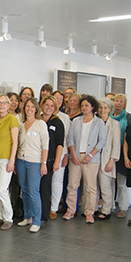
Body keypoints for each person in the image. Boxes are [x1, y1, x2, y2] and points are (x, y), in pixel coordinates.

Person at [64, 95, 106, 224]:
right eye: (82, 105)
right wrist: (74, 154)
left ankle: (89, 212)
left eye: (87, 105)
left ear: (92, 107)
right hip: (75, 156)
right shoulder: (76, 121)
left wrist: (90, 155)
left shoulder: (98, 122)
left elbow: (102, 141)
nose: (84, 108)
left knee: (90, 187)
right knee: (72, 184)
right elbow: (70, 138)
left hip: (91, 159)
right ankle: (71, 210)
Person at [16, 98, 49, 233]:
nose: (29, 109)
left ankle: (36, 220)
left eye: (32, 107)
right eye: (27, 106)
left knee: (34, 192)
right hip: (21, 161)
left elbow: (45, 146)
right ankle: (27, 216)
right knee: (24, 190)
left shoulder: (40, 124)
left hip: (35, 162)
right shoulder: (22, 125)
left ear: (36, 109)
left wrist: (44, 163)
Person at [0, 94, 19, 230]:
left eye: (4, 103)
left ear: (8, 105)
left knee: (2, 189)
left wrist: (12, 160)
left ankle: (8, 217)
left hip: (5, 159)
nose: (1, 105)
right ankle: (1, 215)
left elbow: (15, 141)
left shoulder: (12, 120)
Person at [39, 96, 64, 224]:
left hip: (49, 161)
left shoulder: (57, 122)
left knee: (45, 187)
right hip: (35, 158)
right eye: (47, 105)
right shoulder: (37, 119)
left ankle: (43, 215)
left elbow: (60, 143)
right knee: (34, 188)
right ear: (42, 105)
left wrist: (57, 161)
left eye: (52, 106)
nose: (49, 108)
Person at [95, 98, 121, 219]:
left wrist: (112, 160)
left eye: (105, 108)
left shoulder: (114, 124)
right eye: (100, 107)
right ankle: (93, 208)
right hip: (93, 158)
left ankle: (106, 210)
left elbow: (116, 144)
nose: (102, 110)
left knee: (105, 185)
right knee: (92, 185)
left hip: (106, 158)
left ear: (110, 109)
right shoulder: (95, 121)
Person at [111, 94, 131, 219]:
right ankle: (109, 206)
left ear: (124, 104)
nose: (118, 103)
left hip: (123, 151)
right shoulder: (109, 115)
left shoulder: (129, 118)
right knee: (109, 181)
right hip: (109, 151)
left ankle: (123, 207)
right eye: (116, 100)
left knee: (121, 182)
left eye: (121, 101)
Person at [49, 91, 70, 219]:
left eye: (60, 99)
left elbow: (66, 138)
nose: (57, 100)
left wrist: (66, 155)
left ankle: (54, 208)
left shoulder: (64, 117)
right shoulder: (42, 116)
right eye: (55, 98)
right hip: (45, 154)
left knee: (57, 181)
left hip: (60, 153)